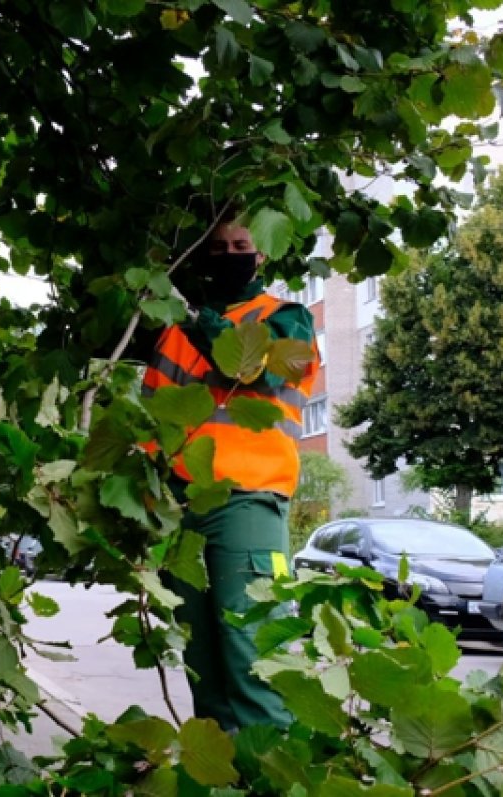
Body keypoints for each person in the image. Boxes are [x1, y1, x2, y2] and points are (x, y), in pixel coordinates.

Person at [144, 217, 319, 732]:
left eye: (242, 244)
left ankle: (276, 778)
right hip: (183, 510)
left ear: (262, 254)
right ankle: (225, 777)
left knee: (255, 653)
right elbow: (154, 423)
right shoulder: (176, 334)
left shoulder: (288, 320)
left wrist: (206, 325)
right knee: (204, 662)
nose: (231, 254)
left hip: (250, 504)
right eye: (219, 247)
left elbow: (254, 371)